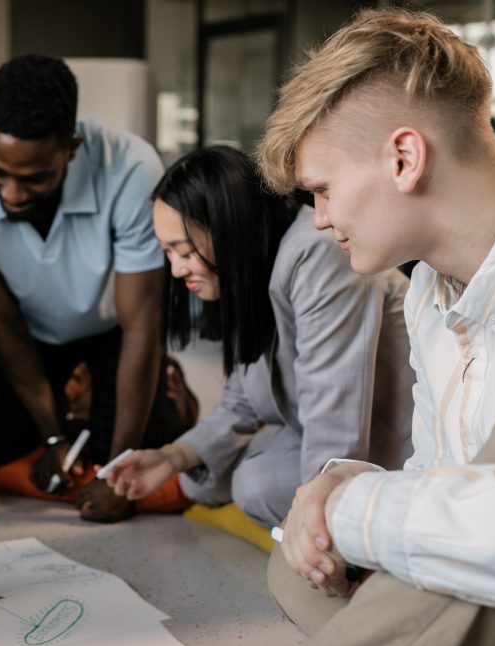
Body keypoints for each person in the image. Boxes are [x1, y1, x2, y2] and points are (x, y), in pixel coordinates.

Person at [255, 9, 495, 646]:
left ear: (404, 158)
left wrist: (360, 509)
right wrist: (345, 483)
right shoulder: (430, 290)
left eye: (322, 190)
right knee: (299, 557)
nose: (321, 221)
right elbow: (439, 477)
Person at [0, 54, 189, 522]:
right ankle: (70, 410)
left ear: (71, 147)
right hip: (32, 329)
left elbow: (141, 324)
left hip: (113, 330)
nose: (11, 193)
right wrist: (51, 437)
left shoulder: (131, 168)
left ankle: (168, 391)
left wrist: (116, 472)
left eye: (34, 178)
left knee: (132, 445)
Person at [103, 146, 414, 527]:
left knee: (254, 484)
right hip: (323, 426)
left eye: (182, 251)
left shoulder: (316, 254)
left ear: (228, 227)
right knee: (203, 476)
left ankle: (355, 527)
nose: (176, 269)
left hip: (392, 445)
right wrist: (171, 456)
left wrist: (313, 520)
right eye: (167, 253)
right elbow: (242, 399)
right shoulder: (249, 270)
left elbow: (337, 417)